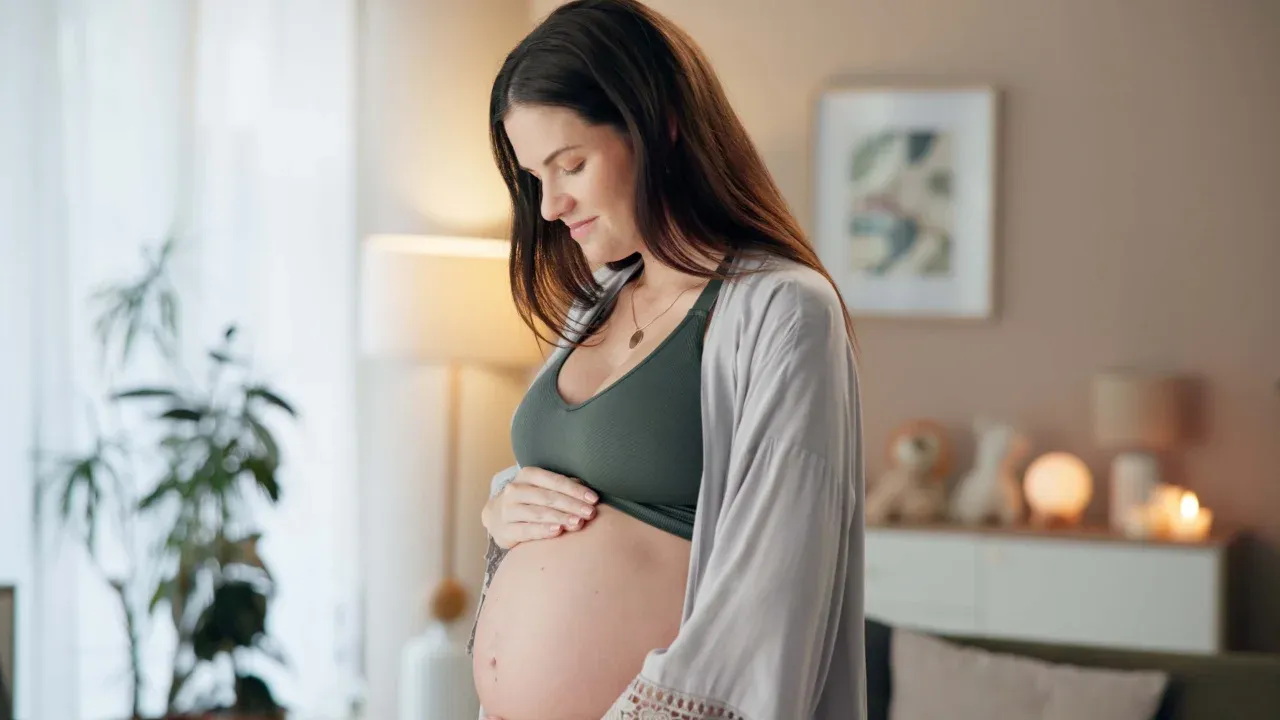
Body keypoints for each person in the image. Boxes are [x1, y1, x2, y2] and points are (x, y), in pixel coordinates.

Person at [467, 1, 865, 718]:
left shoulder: (782, 309)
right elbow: (584, 487)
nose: (551, 204)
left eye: (572, 164)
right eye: (535, 178)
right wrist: (504, 506)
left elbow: (773, 582)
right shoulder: (596, 303)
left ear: (660, 125)